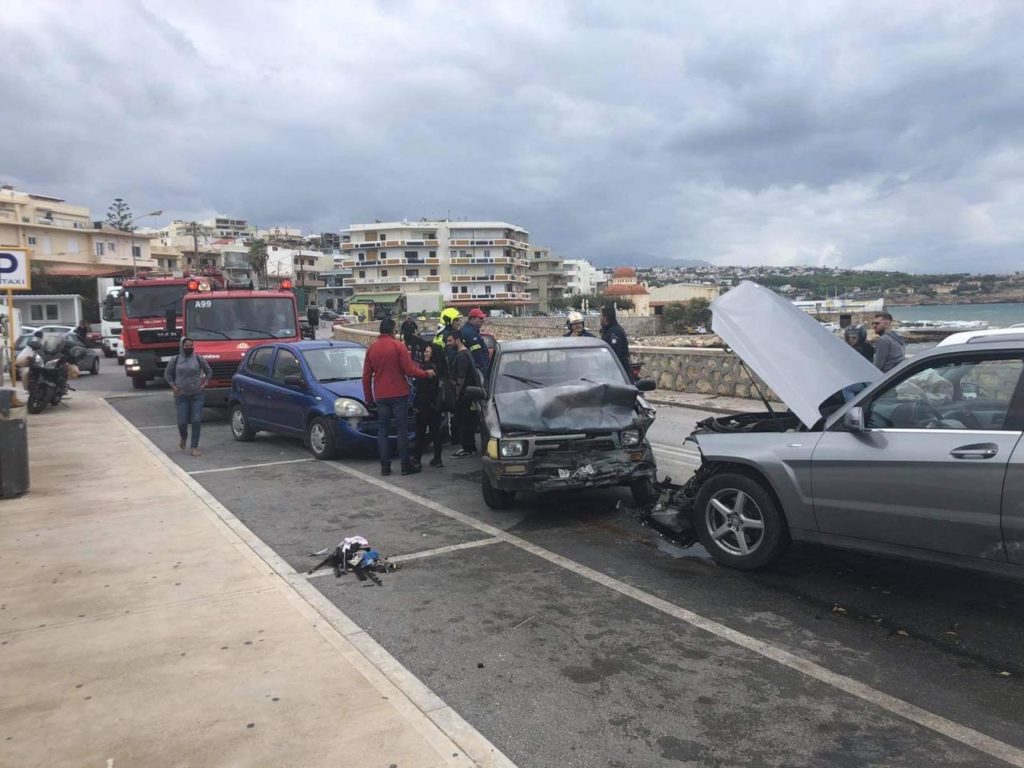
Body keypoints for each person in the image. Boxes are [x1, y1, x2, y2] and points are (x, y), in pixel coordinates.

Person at [362, 317, 435, 476]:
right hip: (399, 394)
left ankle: (385, 467)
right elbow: (410, 371)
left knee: (383, 431)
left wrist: (369, 399)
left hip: (381, 395)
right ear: (392, 330)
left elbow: (366, 376)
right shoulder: (398, 346)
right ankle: (405, 465)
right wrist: (426, 374)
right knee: (402, 430)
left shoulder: (372, 349)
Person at [164, 336, 212, 457]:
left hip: (197, 394)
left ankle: (194, 446)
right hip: (181, 395)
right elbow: (168, 374)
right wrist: (173, 386)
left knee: (196, 420)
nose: (189, 347)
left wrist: (205, 383)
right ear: (182, 346)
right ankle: (183, 437)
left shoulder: (198, 358)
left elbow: (209, 371)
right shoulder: (175, 359)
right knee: (182, 422)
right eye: (187, 346)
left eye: (191, 345)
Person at [449, 332, 480, 458]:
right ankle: (469, 447)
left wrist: (456, 394)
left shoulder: (462, 356)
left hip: (464, 396)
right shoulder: (465, 354)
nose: (448, 344)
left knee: (464, 422)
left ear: (457, 340)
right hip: (467, 394)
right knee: (467, 422)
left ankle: (467, 447)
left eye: (450, 341)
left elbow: (461, 377)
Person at [413, 344, 444, 468]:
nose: (425, 353)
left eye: (427, 352)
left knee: (420, 432)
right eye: (425, 351)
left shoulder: (427, 369)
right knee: (435, 432)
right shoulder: (438, 367)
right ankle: (437, 458)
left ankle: (417, 458)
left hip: (424, 404)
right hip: (435, 405)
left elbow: (421, 388)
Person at [599, 304, 631, 374]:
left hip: (618, 371)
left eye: (601, 316)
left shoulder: (614, 332)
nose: (600, 318)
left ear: (605, 318)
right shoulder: (607, 331)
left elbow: (614, 353)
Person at [460, 307, 490, 378]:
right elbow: (477, 354)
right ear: (472, 319)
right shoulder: (470, 333)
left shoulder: (469, 330)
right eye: (480, 318)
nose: (482, 320)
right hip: (478, 370)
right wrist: (484, 367)